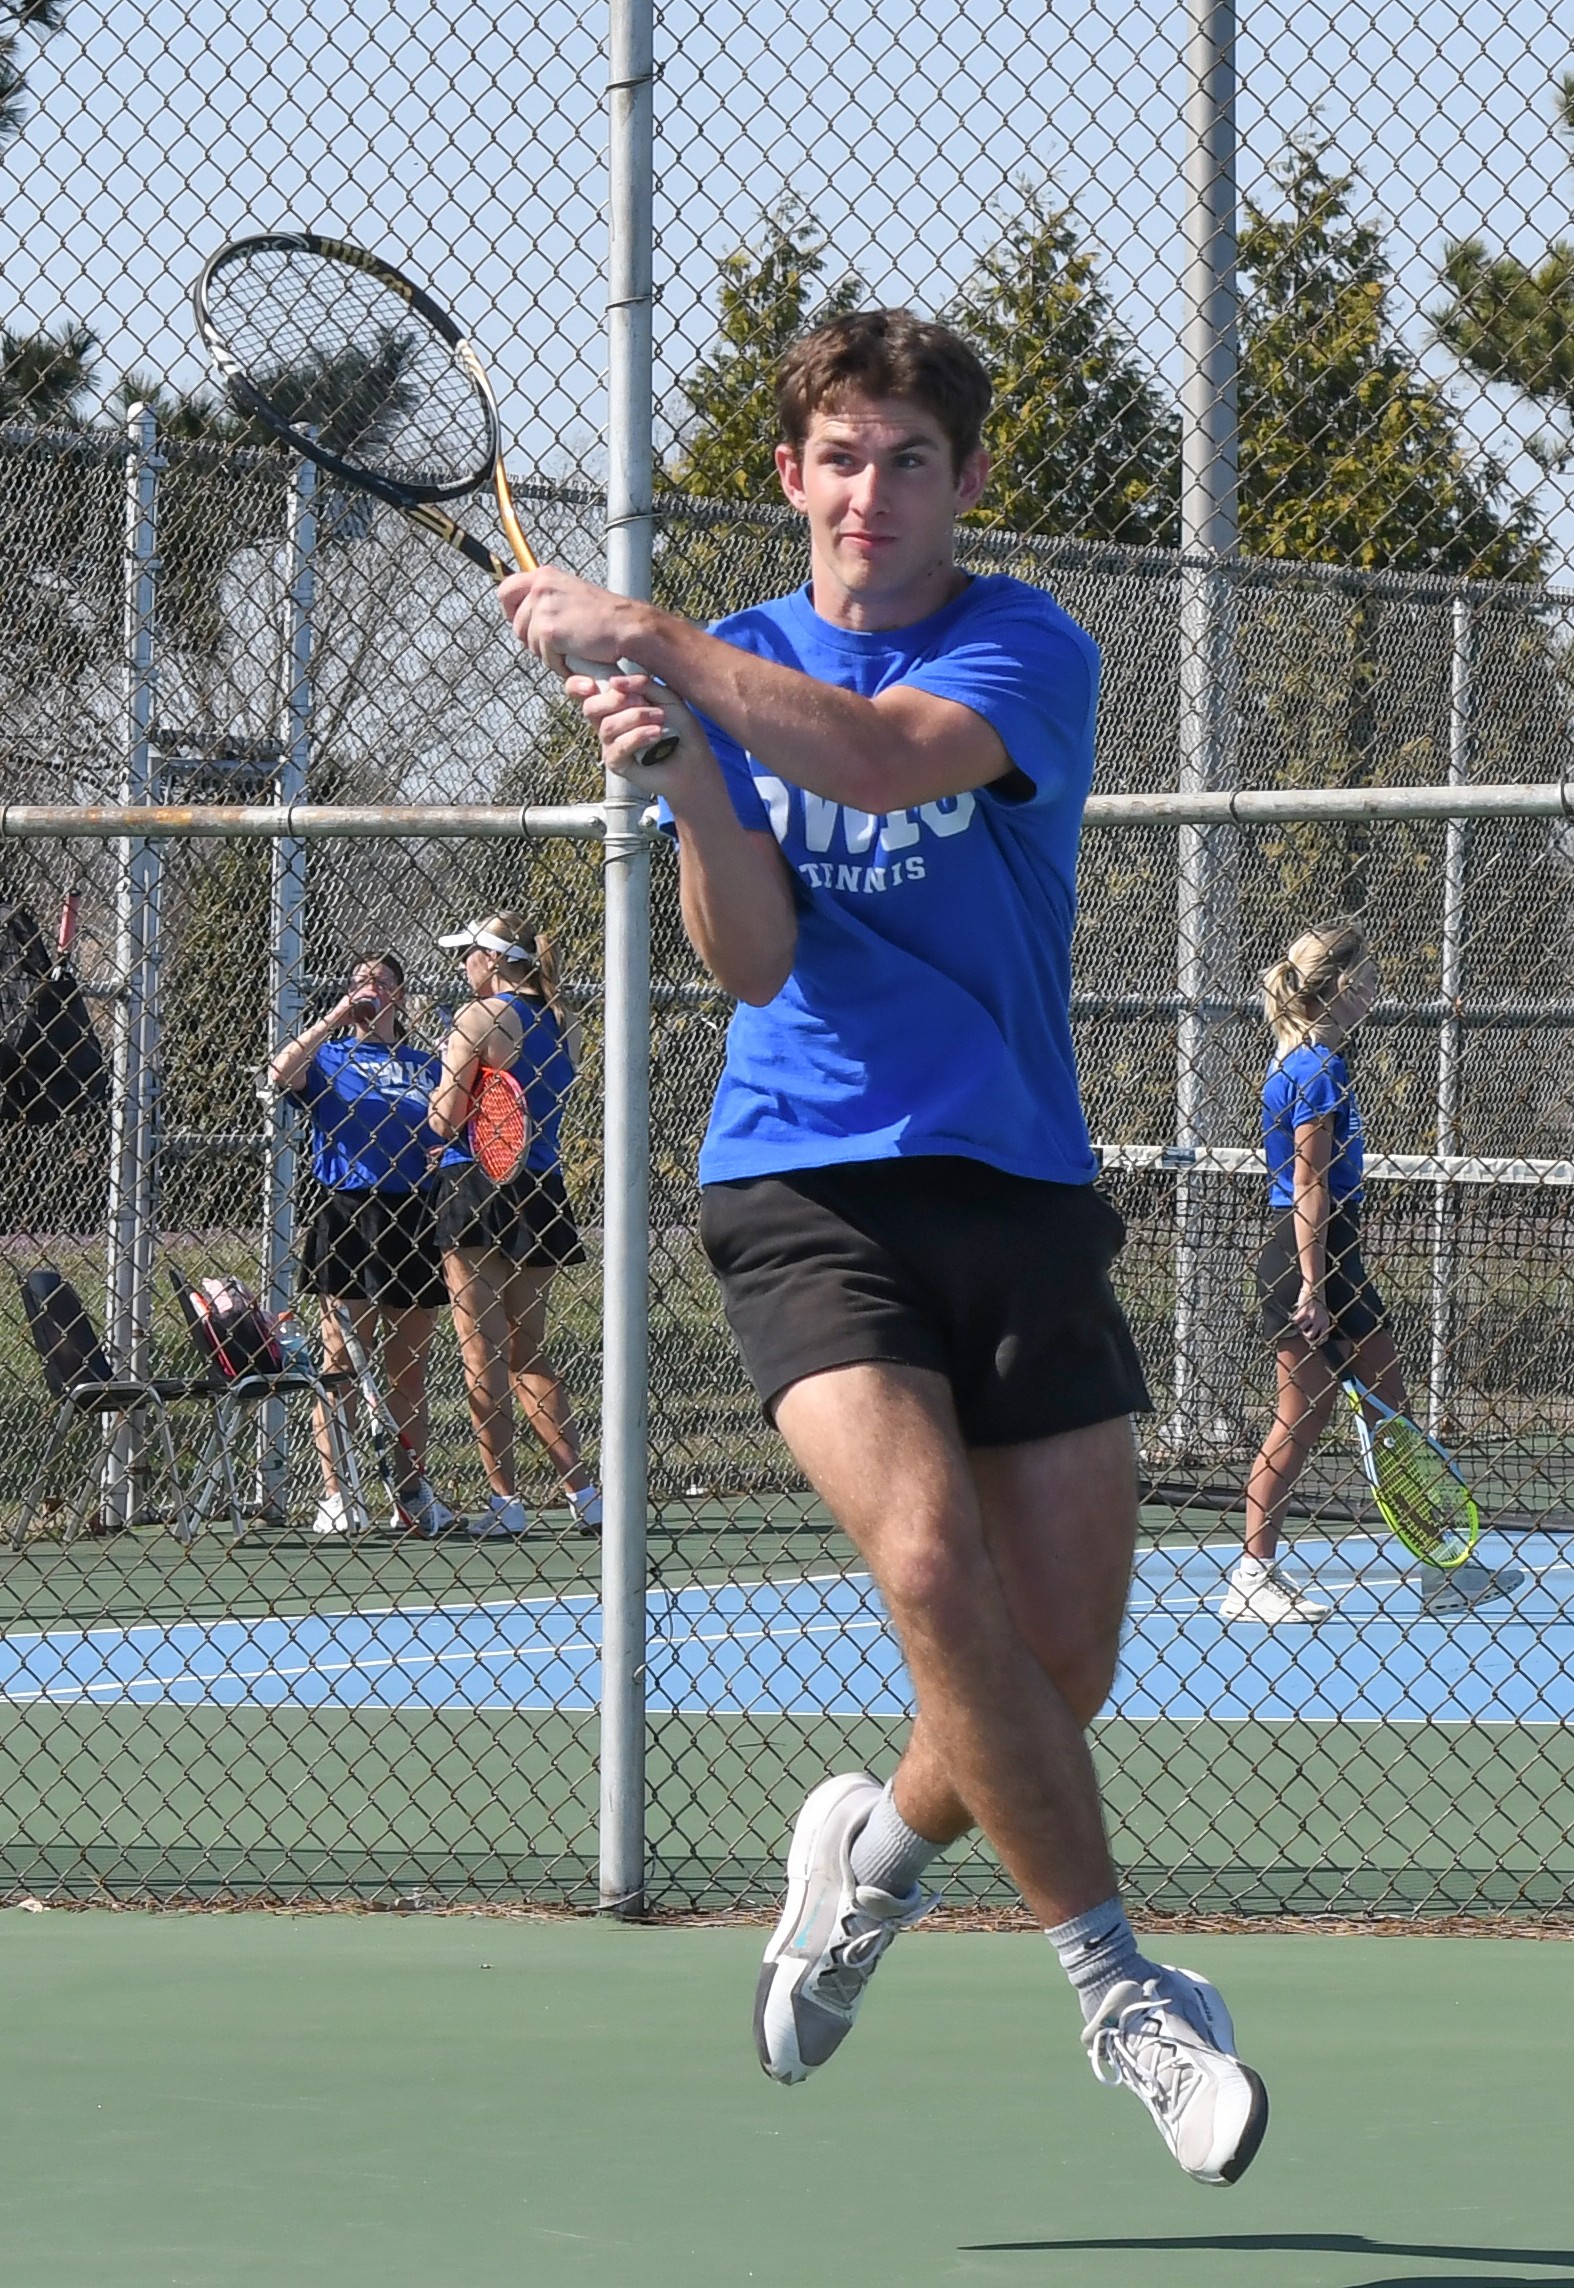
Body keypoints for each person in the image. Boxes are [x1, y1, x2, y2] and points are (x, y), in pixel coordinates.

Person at [498, 308, 1267, 2185]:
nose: (869, 491)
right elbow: (752, 957)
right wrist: (686, 775)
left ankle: (877, 1851)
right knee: (928, 1561)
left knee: (1051, 1669)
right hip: (803, 1182)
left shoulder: (1026, 646)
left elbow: (872, 760)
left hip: (1010, 1177)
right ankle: (1120, 1992)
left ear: (964, 480)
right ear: (790, 475)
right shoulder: (732, 660)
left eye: (907, 457)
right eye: (837, 457)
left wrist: (653, 642)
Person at [1224, 920, 1523, 1625]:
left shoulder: (1317, 1061)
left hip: (1338, 1257)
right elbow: (1307, 1182)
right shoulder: (1314, 1068)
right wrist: (1312, 1285)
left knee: (1390, 1409)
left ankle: (1441, 1566)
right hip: (1312, 1258)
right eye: (1368, 983)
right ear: (1339, 988)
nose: (1375, 995)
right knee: (1301, 1417)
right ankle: (1252, 1575)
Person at [268, 952, 456, 1539]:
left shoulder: (426, 1064)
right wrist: (334, 1017)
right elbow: (279, 1073)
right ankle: (337, 1493)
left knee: (408, 1369)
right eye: (359, 980)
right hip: (349, 1212)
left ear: (399, 993)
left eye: (380, 981)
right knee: (341, 1363)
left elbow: (453, 1123)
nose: (368, 989)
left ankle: (411, 1492)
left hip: (414, 1214)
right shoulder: (330, 1056)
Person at [427, 912, 602, 1540]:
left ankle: (504, 1503)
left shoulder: (477, 1018)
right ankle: (585, 1495)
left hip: (475, 1185)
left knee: (481, 1351)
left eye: (469, 953)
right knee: (529, 1348)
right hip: (542, 1189)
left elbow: (444, 1118)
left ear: (495, 959)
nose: (462, 965)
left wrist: (439, 1091)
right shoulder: (565, 1022)